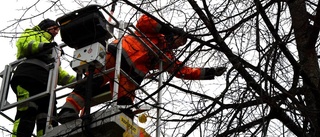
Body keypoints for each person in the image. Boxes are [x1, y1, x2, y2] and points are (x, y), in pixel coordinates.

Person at [57, 14, 227, 123]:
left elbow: (182, 70)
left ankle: (123, 120)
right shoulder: (152, 32)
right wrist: (165, 28)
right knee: (91, 83)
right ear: (174, 34)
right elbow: (144, 20)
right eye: (179, 40)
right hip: (116, 56)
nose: (178, 45)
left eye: (181, 44)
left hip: (130, 75)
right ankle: (67, 111)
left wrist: (208, 72)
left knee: (126, 101)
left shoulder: (165, 55)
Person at [10, 19, 76, 137]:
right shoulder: (32, 33)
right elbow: (24, 45)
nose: (56, 32)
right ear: (46, 27)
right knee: (27, 112)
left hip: (46, 85)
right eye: (54, 29)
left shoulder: (53, 49)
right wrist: (45, 46)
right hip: (28, 76)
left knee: (47, 119)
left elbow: (58, 74)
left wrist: (77, 81)